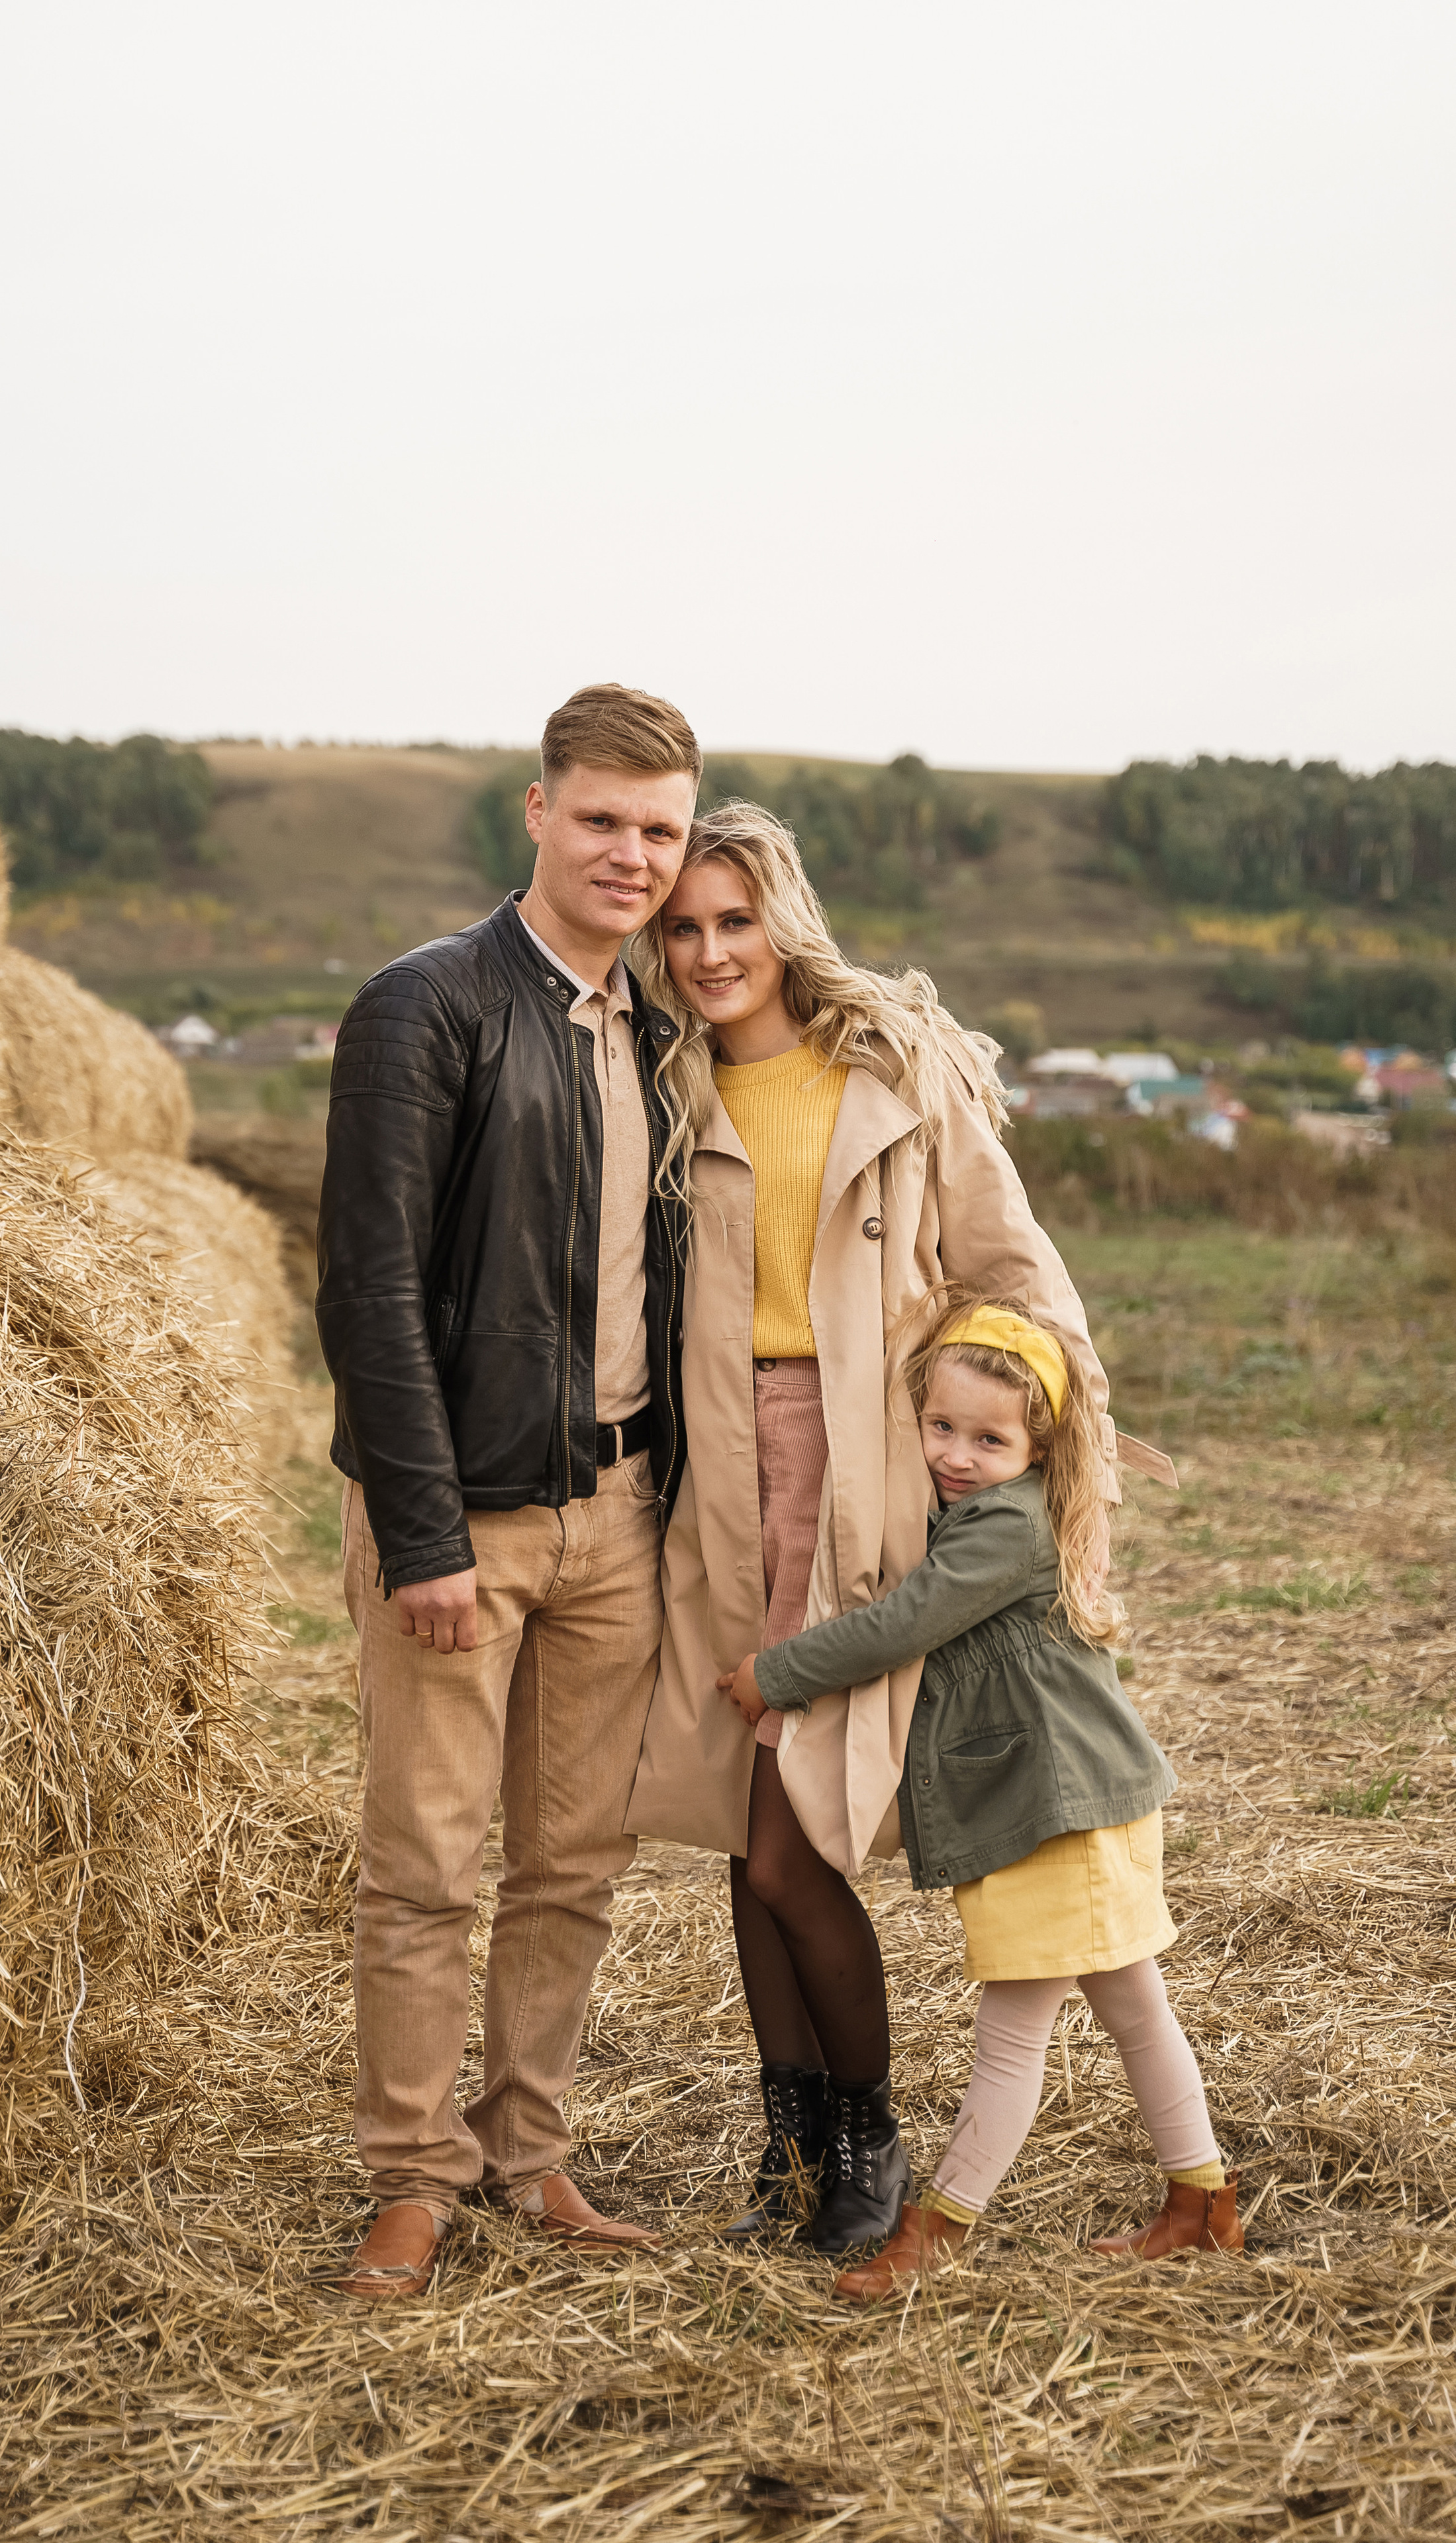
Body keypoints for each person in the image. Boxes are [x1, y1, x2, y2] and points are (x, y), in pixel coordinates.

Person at [625, 801, 1173, 2254]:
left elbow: (1019, 1275)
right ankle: (792, 2145)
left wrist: (1045, 1461)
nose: (705, 953)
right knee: (744, 1844)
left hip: (871, 1473)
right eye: (679, 927)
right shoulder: (656, 1079)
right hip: (721, 1481)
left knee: (796, 1842)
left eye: (731, 920)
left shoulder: (894, 1067)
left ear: (782, 919)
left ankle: (861, 2143)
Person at [317, 683, 697, 2299]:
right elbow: (368, 1289)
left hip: (617, 1512)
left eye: (659, 831)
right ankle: (411, 2178)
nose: (630, 854)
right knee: (427, 1861)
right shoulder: (429, 1006)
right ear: (533, 813)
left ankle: (525, 2154)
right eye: (601, 818)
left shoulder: (665, 1028)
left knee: (571, 1865)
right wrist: (418, 1532)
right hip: (460, 1514)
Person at [724, 1289, 1241, 2297]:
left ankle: (935, 2232)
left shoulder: (1003, 1531)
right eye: (942, 1428)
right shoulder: (977, 1509)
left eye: (990, 1438)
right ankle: (1202, 2204)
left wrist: (774, 1674)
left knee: (1012, 2037)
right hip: (1077, 1799)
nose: (958, 1454)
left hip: (1056, 1811)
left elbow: (900, 1623)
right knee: (1138, 2010)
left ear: (1039, 1448)